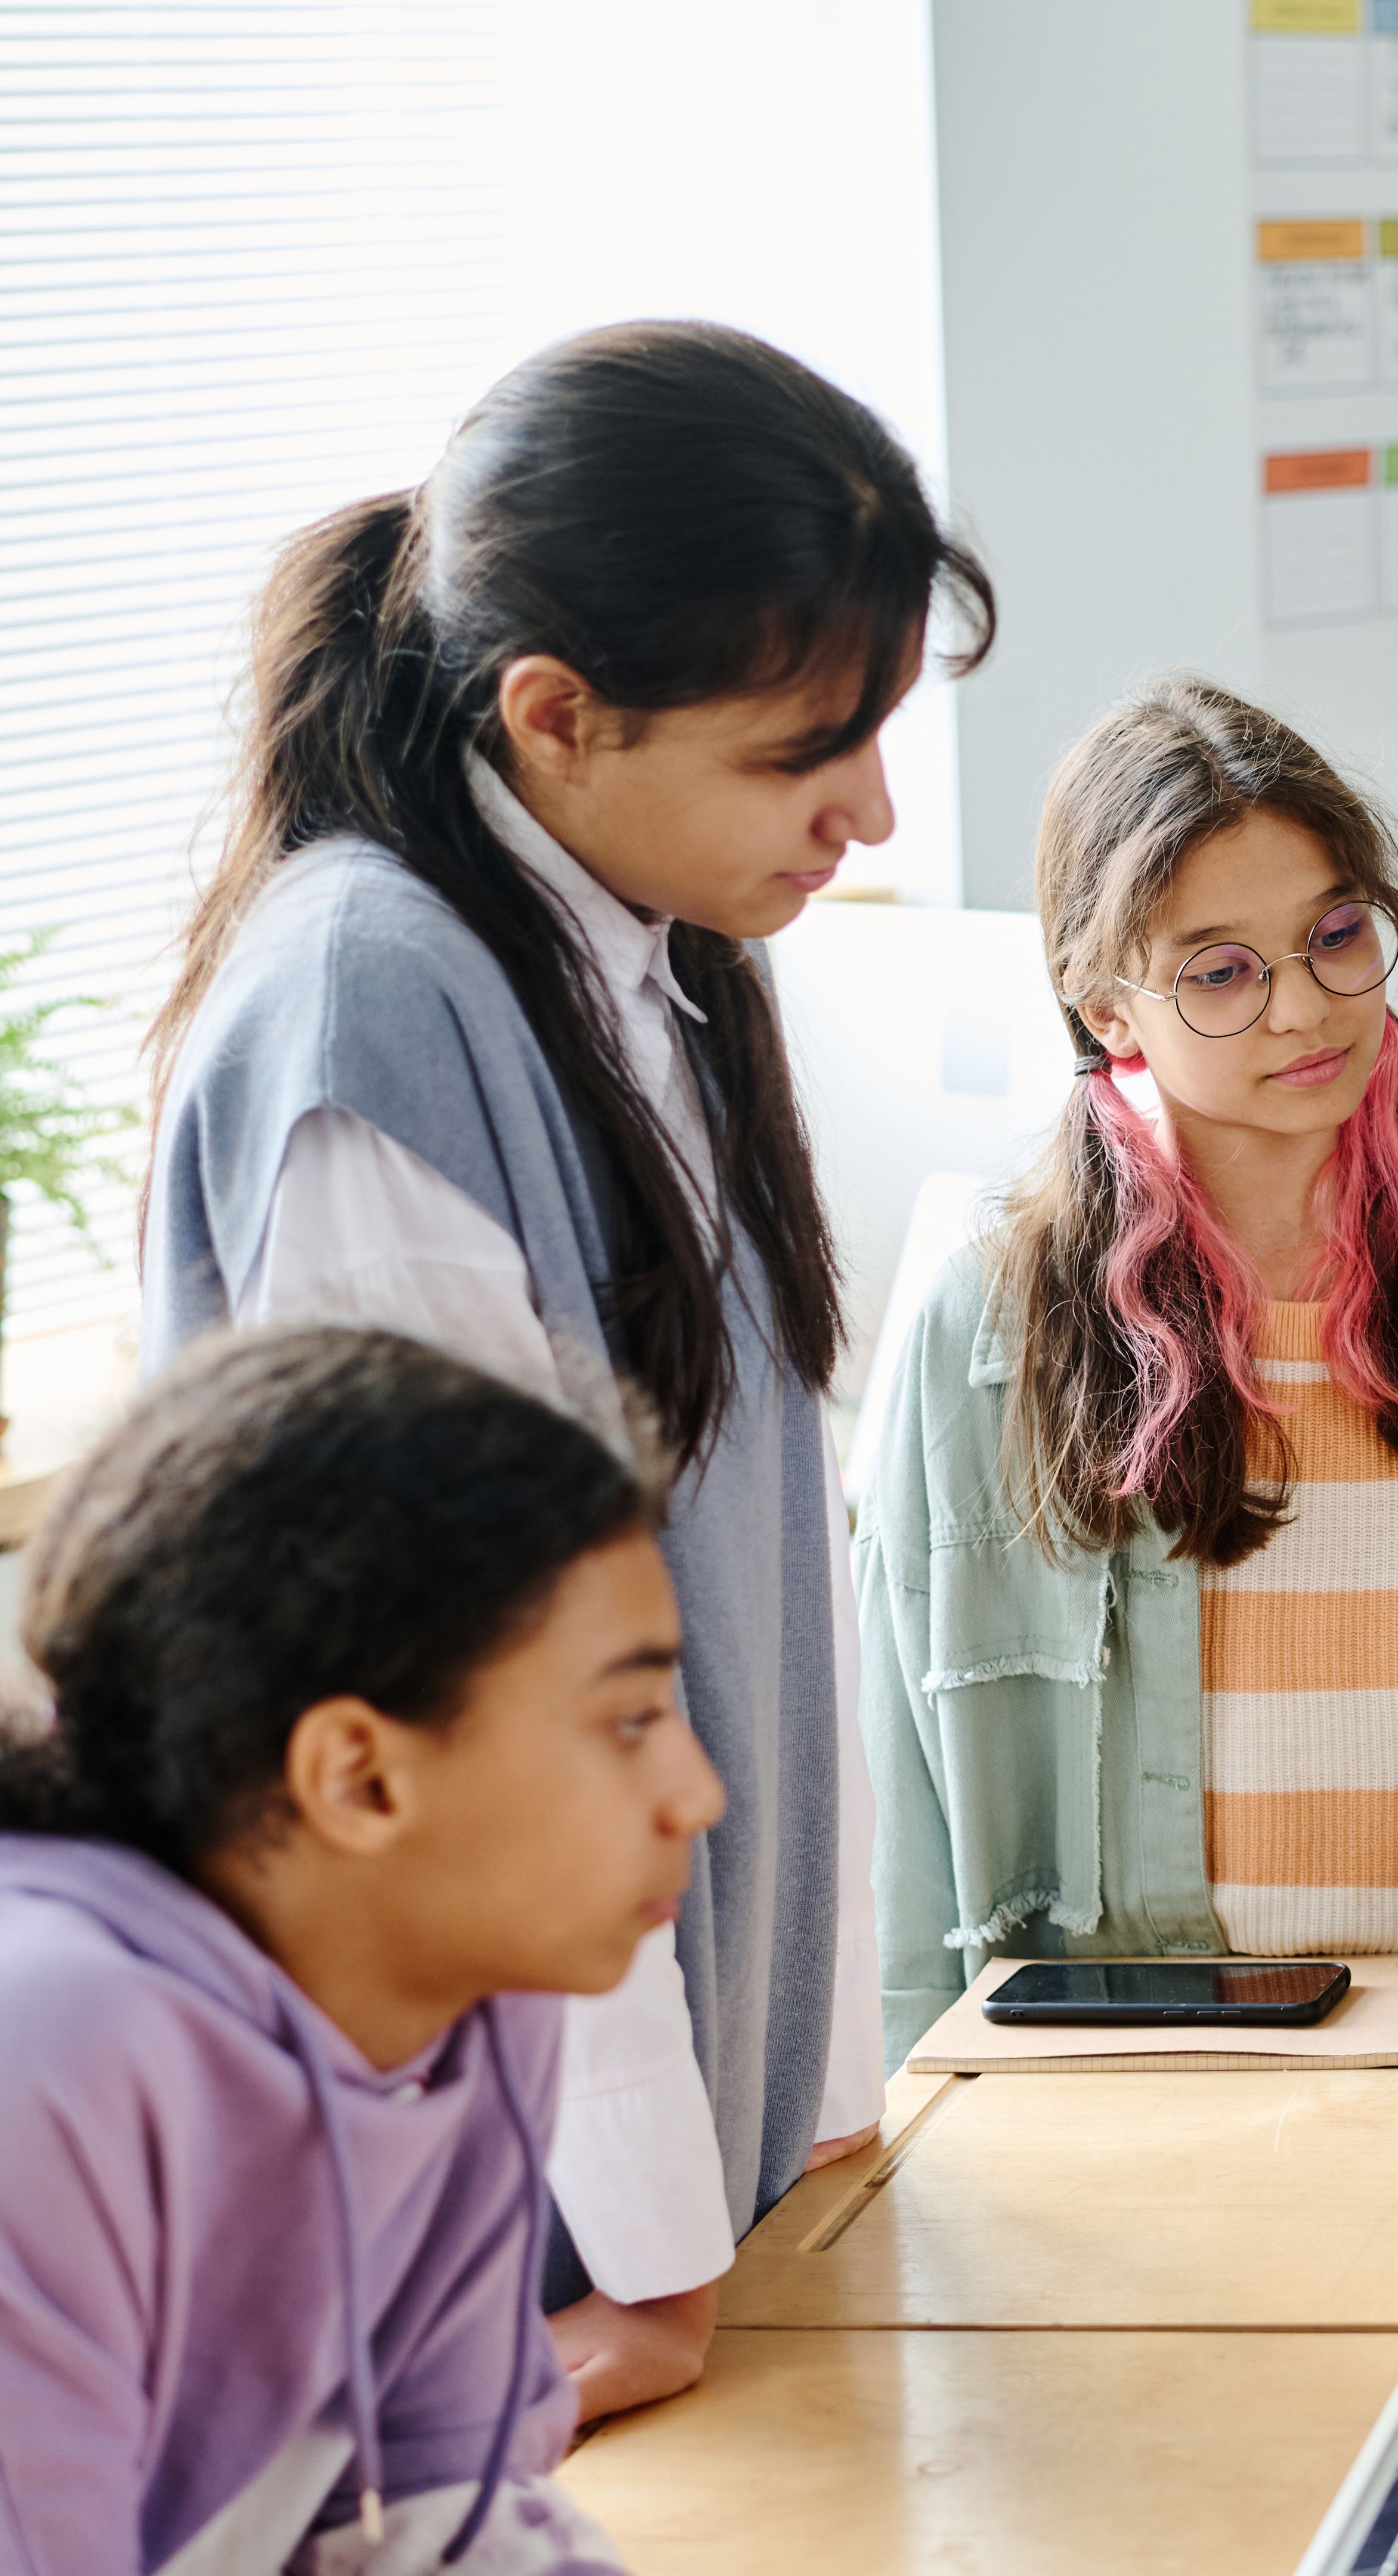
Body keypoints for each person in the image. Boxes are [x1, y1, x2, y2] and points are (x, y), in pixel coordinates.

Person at [140, 321, 995, 2416]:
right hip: (521, 2236)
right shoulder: (378, 1014)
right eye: (803, 754)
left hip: (701, 2169)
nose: (871, 815)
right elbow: (489, 1716)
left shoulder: (649, 934)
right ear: (555, 715)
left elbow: (752, 1578)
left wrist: (808, 2093)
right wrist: (645, 2249)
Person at [861, 676, 1398, 2058]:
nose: (1304, 1010)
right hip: (1158, 2068)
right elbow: (907, 1789)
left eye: (1336, 936)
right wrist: (918, 2096)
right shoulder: (992, 1333)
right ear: (1107, 1008)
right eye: (1221, 970)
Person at [0, 1328, 712, 2571]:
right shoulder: (50, 2050)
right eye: (628, 1719)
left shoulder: (473, 1996)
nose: (697, 1794)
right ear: (359, 1777)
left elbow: (442, 2502)